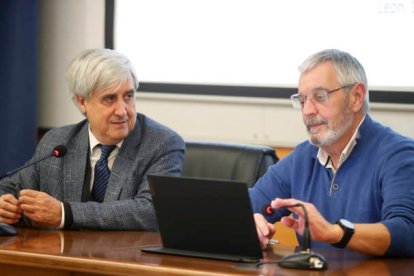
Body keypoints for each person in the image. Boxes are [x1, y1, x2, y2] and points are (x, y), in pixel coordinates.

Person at [249, 49, 414, 257]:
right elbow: (245, 206)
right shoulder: (301, 159)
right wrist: (248, 220)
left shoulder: (399, 156)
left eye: (320, 96)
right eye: (302, 100)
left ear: (356, 96)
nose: (307, 110)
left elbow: (406, 231)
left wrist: (335, 233)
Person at [0, 48, 185, 230]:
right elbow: (9, 188)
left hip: (125, 258)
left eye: (128, 96)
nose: (122, 111)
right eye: (110, 99)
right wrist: (5, 206)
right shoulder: (58, 142)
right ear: (82, 102)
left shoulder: (162, 144)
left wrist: (65, 214)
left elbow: (150, 211)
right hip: (61, 256)